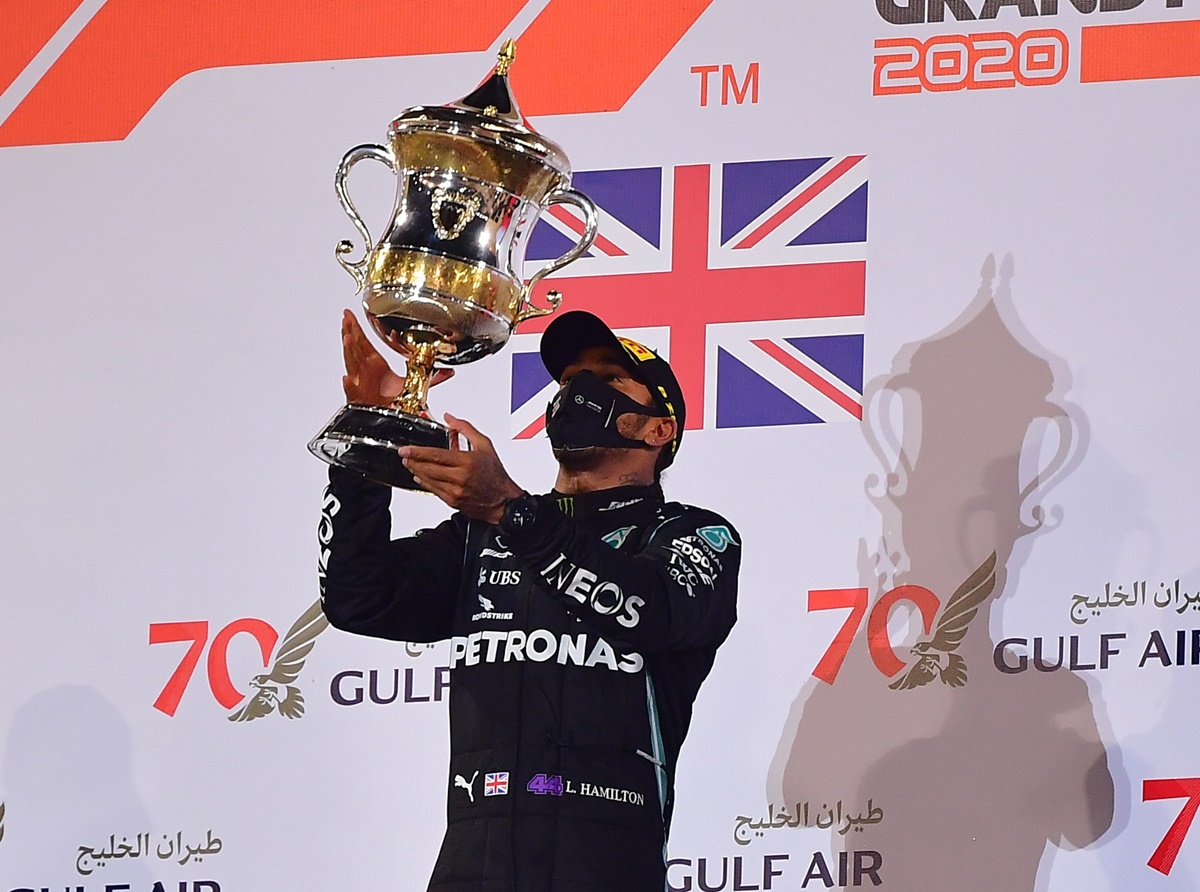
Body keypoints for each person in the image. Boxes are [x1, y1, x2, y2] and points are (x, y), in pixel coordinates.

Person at [320, 308, 741, 892]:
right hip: (472, 868)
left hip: (608, 869)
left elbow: (648, 610)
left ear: (657, 429)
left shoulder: (691, 535)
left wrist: (511, 511)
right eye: (569, 381)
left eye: (610, 379)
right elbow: (356, 598)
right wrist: (369, 447)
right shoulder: (482, 536)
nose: (578, 391)